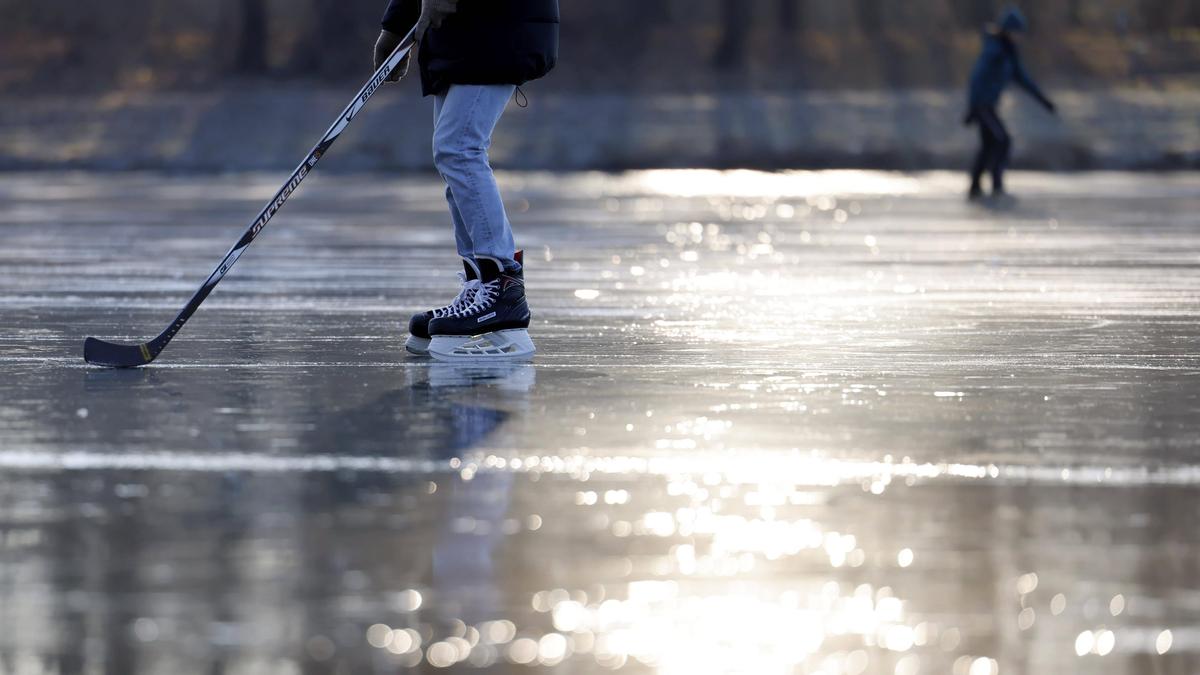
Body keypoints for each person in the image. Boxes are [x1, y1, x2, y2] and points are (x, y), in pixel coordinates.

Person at [374, 0, 559, 360]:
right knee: (453, 156)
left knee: (459, 149)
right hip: (462, 34)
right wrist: (396, 25)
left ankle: (501, 287)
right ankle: (479, 286)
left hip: (497, 26)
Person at [964, 6, 1056, 200]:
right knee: (1002, 140)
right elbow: (977, 78)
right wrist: (973, 105)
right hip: (983, 104)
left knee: (989, 144)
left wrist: (1043, 100)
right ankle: (994, 184)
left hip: (989, 105)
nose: (1019, 36)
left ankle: (976, 186)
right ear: (1008, 30)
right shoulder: (995, 50)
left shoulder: (1009, 54)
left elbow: (1024, 80)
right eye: (1016, 32)